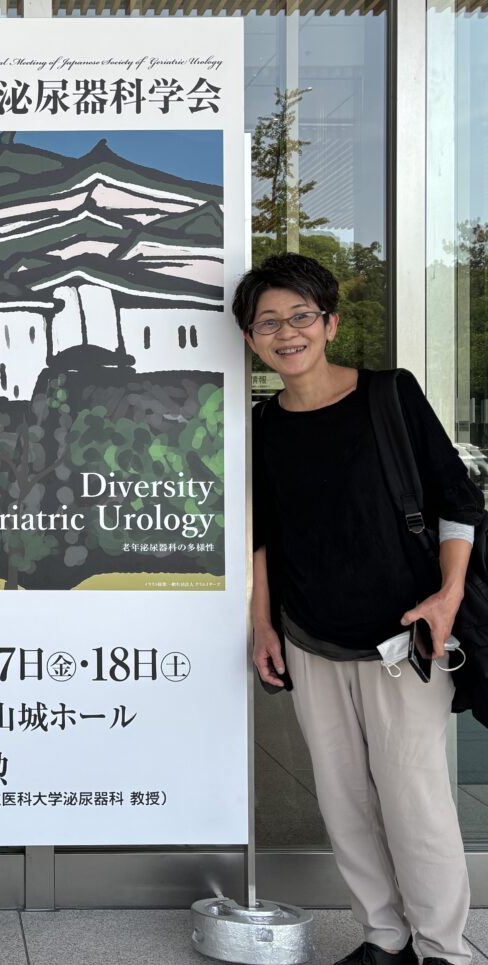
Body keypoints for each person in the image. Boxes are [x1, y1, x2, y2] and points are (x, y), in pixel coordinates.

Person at [237, 252, 483, 965]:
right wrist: (263, 624)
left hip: (406, 633)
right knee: (342, 797)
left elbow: (457, 502)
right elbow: (263, 536)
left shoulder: (389, 394)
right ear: (251, 338)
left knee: (414, 797)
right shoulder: (263, 423)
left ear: (331, 323)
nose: (287, 333)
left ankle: (444, 948)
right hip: (310, 634)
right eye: (268, 322)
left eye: (301, 316)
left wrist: (447, 597)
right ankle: (384, 936)